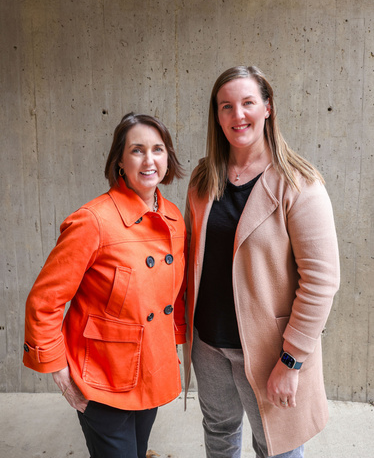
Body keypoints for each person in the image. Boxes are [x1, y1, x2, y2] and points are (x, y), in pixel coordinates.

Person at [183, 66, 340, 458]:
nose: (238, 115)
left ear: (267, 108)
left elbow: (321, 281)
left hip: (269, 351)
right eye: (226, 106)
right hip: (209, 345)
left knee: (276, 447)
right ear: (216, 116)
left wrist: (291, 362)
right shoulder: (204, 178)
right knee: (219, 434)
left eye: (248, 103)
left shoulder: (299, 183)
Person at [23, 112, 187, 458]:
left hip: (151, 368)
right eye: (137, 150)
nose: (149, 160)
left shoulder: (174, 218)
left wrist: (172, 346)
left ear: (168, 158)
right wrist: (57, 369)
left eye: (158, 150)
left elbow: (172, 298)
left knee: (138, 451)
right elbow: (44, 300)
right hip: (100, 375)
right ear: (120, 161)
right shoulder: (93, 221)